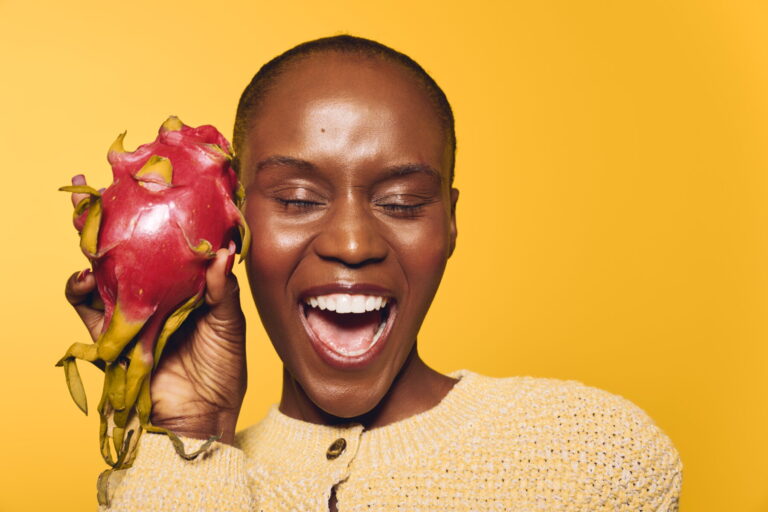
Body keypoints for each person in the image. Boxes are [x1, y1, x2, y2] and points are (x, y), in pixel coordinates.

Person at [66, 35, 682, 511]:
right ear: (235, 227)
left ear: (449, 225)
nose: (354, 243)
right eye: (299, 200)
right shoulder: (162, 479)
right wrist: (192, 433)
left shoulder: (588, 453)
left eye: (403, 202)